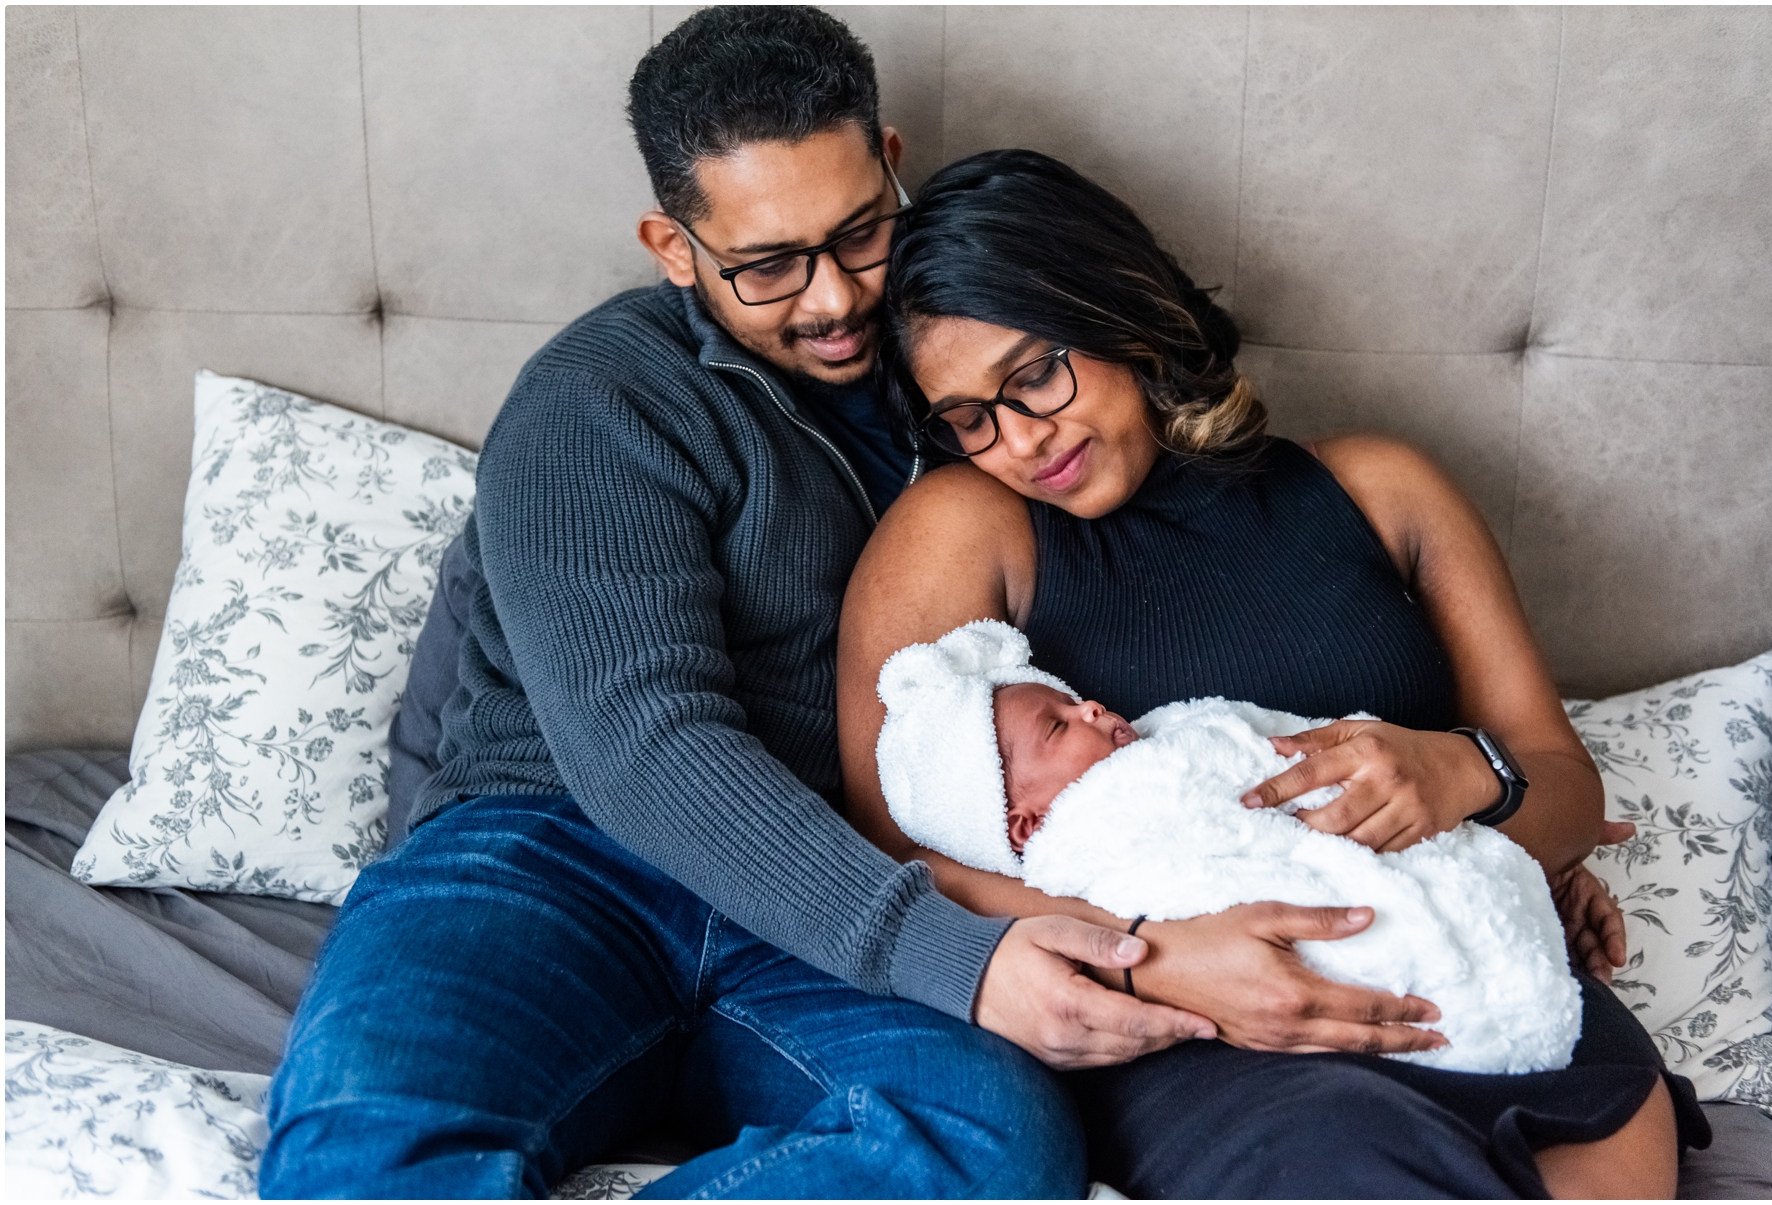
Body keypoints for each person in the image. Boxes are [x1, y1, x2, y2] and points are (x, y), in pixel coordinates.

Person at [262, 12, 1197, 1197]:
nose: (833, 300)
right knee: (358, 1156)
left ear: (893, 158)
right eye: (768, 265)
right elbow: (645, 745)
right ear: (671, 245)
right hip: (548, 857)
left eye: (861, 234)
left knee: (991, 1143)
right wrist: (949, 955)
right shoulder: (595, 398)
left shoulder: (977, 370)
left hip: (824, 888)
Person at [836, 148, 1711, 1198]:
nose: (1021, 438)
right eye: (970, 418)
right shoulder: (966, 528)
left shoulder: (1385, 490)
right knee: (1352, 1156)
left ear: (1127, 310)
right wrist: (1150, 956)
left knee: (1608, 1126)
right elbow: (886, 863)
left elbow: (1562, 786)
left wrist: (1469, 786)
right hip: (1219, 1033)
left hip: (1485, 979)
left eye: (1035, 374)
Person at [872, 619, 1586, 1078]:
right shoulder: (1081, 839)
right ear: (1025, 825)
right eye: (1060, 727)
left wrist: (1470, 779)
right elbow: (897, 853)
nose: (1091, 707)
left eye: (1076, 700)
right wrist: (1149, 951)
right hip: (1250, 995)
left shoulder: (1172, 734)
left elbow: (1277, 745)